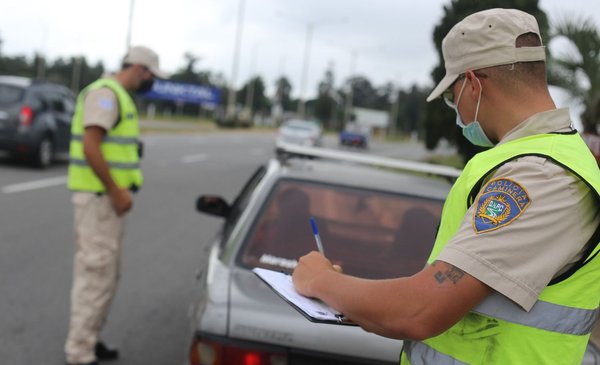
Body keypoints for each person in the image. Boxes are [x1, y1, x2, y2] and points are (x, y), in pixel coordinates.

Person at [292, 8, 600, 364]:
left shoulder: (540, 174)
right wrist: (347, 292)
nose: (458, 113)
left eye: (452, 97)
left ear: (474, 83)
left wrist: (319, 282)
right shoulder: (536, 160)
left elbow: (420, 309)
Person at [64, 45, 167, 365]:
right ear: (138, 68)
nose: (152, 81)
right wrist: (116, 191)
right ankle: (80, 352)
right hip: (99, 200)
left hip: (105, 203)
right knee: (95, 277)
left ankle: (89, 339)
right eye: (151, 74)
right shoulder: (106, 94)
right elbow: (91, 145)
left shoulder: (119, 96)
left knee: (106, 276)